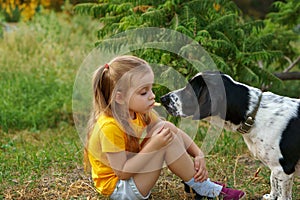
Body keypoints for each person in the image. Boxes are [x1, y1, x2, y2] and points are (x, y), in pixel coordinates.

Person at [84, 55, 245, 200]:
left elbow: (170, 129)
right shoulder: (109, 127)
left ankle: (198, 185)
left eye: (151, 88)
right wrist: (154, 146)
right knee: (163, 142)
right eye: (143, 92)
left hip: (133, 177)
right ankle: (203, 188)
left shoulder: (138, 112)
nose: (152, 95)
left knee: (165, 128)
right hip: (119, 189)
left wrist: (198, 153)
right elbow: (123, 173)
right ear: (120, 97)